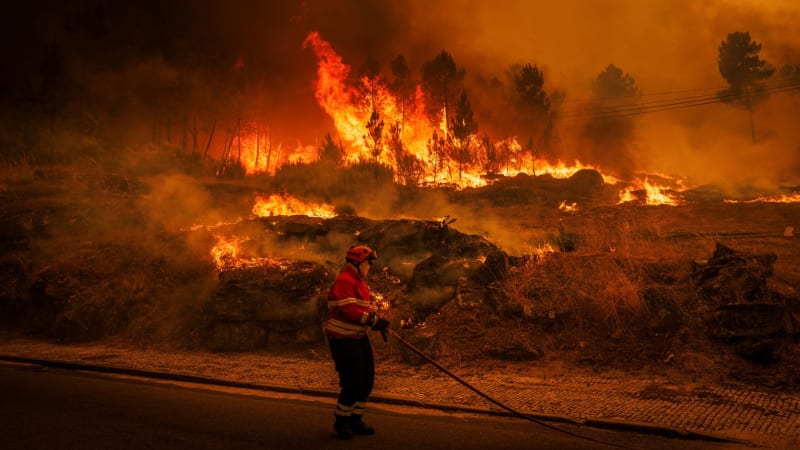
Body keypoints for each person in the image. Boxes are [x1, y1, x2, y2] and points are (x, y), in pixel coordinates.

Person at [325, 244, 390, 439]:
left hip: (358, 337)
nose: (370, 266)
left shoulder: (360, 283)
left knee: (367, 380)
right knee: (352, 382)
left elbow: (363, 310)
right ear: (357, 262)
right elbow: (350, 311)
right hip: (343, 339)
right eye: (369, 262)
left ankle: (356, 418)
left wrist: (377, 321)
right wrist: (373, 321)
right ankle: (341, 421)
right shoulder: (344, 281)